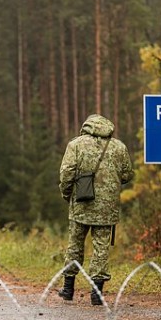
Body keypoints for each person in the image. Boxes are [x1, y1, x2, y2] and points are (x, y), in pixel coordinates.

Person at [58, 114, 133, 305]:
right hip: (107, 207)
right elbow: (126, 175)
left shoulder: (75, 145)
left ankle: (68, 289)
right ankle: (96, 294)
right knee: (101, 249)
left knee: (75, 245)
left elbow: (66, 174)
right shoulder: (119, 146)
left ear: (86, 127)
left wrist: (68, 195)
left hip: (81, 204)